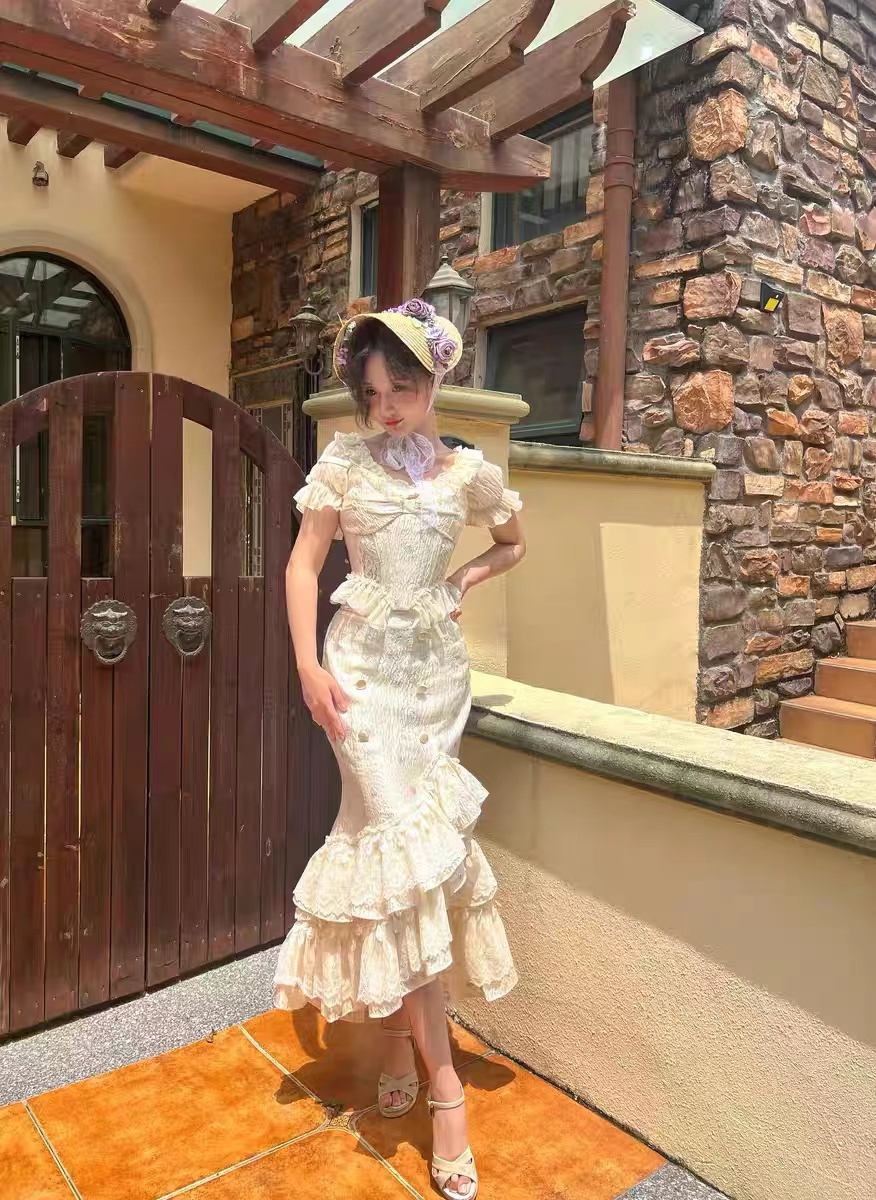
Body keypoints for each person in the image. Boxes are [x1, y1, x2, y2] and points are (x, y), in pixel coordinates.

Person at [273, 298, 526, 1199]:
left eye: (402, 390)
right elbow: (304, 564)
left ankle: (393, 1042)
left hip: (436, 683)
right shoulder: (343, 461)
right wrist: (307, 668)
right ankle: (446, 1088)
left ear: (434, 382)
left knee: (406, 872)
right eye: (373, 392)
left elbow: (513, 542)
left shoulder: (468, 473)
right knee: (401, 857)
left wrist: (463, 579)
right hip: (358, 681)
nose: (385, 408)